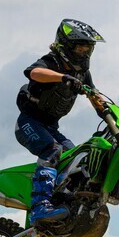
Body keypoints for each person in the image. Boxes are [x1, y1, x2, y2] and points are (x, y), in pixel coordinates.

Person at [15, 18, 105, 225]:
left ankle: (63, 201)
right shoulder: (52, 62)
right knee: (52, 150)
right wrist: (63, 77)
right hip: (29, 122)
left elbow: (94, 95)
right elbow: (34, 72)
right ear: (67, 47)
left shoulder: (82, 73)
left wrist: (105, 109)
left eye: (87, 49)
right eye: (80, 48)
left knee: (77, 158)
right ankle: (39, 207)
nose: (84, 53)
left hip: (51, 126)